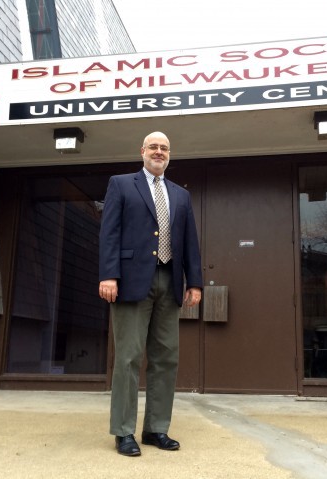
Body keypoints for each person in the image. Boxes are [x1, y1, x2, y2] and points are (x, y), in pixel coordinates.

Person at [98, 131, 203, 457]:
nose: (159, 152)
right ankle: (124, 431)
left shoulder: (180, 195)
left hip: (169, 283)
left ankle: (156, 428)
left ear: (169, 155)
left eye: (165, 148)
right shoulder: (121, 183)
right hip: (130, 282)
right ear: (142, 151)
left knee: (166, 358)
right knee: (128, 357)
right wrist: (109, 275)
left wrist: (195, 282)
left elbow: (189, 243)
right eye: (154, 147)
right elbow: (109, 232)